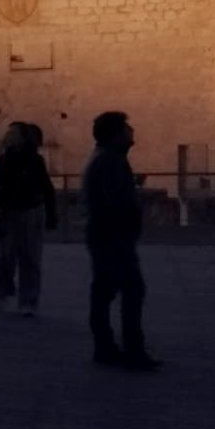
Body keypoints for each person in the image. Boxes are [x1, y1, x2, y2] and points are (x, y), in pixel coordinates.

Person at [82, 112, 161, 370]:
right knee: (131, 290)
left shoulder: (107, 160)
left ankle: (107, 347)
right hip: (113, 238)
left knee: (105, 291)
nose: (132, 131)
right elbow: (113, 202)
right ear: (116, 134)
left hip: (107, 236)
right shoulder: (110, 162)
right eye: (127, 128)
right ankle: (131, 349)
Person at [0, 122, 57, 317]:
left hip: (30, 212)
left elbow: (46, 188)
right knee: (4, 258)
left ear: (23, 137)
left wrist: (51, 214)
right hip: (7, 212)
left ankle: (28, 300)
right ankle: (2, 295)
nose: (8, 135)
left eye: (13, 132)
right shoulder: (2, 160)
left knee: (30, 258)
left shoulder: (35, 161)